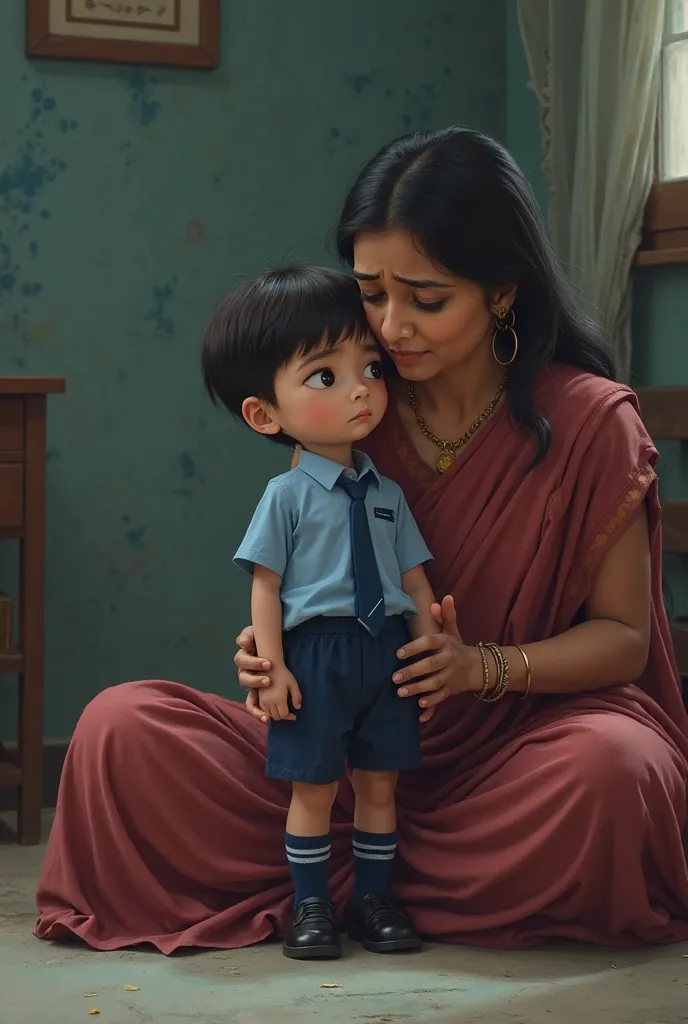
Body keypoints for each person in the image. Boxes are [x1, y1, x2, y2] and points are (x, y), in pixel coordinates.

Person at [35, 127, 688, 955]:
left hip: (514, 765)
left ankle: (341, 884)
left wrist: (477, 667)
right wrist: (270, 653)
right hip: (337, 766)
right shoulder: (352, 407)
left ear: (500, 291)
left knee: (614, 771)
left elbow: (625, 643)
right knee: (119, 729)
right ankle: (384, 888)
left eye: (424, 298)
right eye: (371, 292)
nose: (390, 326)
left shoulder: (592, 421)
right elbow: (297, 579)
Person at [201, 264, 440, 959]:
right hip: (319, 656)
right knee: (312, 788)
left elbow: (417, 585)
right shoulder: (286, 497)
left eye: (370, 366)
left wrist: (429, 655)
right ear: (264, 414)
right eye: (325, 376)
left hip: (387, 654)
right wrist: (271, 670)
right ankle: (311, 907)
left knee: (379, 784)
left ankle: (372, 898)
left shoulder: (388, 493)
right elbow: (266, 589)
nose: (362, 387)